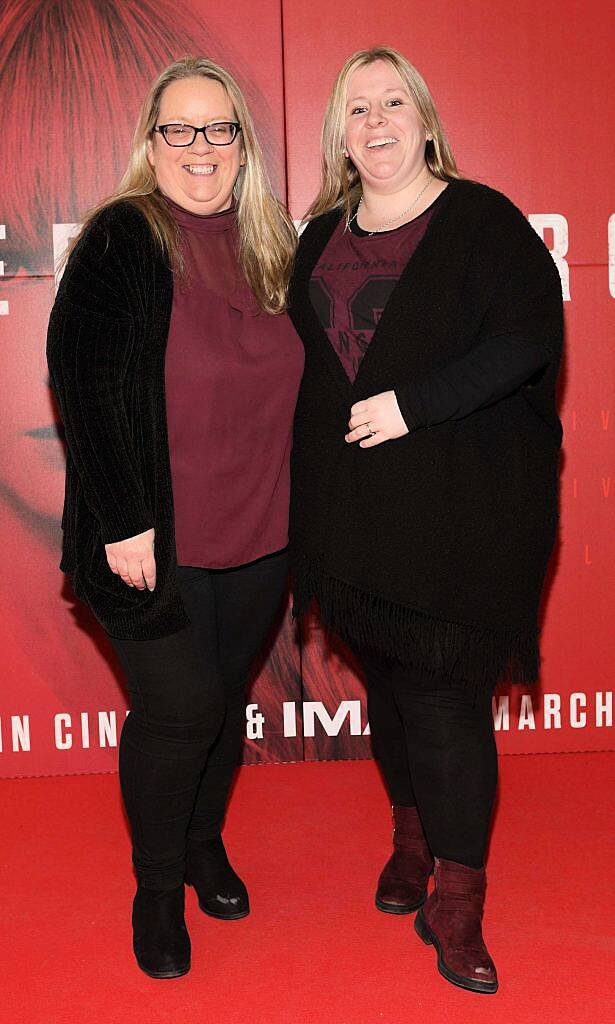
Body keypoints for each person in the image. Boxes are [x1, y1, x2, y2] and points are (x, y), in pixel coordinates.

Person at [288, 46, 563, 995]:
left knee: (443, 700)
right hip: (356, 518)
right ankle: (409, 844)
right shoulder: (317, 235)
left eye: (391, 101)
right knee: (394, 694)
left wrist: (415, 402)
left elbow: (531, 340)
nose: (375, 122)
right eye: (356, 108)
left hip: (462, 513)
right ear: (340, 132)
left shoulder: (483, 222)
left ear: (424, 117)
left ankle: (458, 901)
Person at [46, 56, 302, 979]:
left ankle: (202, 846)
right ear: (150, 145)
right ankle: (156, 889)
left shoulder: (277, 244)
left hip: (259, 535)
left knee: (220, 708)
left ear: (243, 145)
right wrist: (122, 519)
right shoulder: (123, 238)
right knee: (178, 710)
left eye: (219, 129)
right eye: (178, 130)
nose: (201, 148)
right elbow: (82, 380)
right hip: (147, 540)